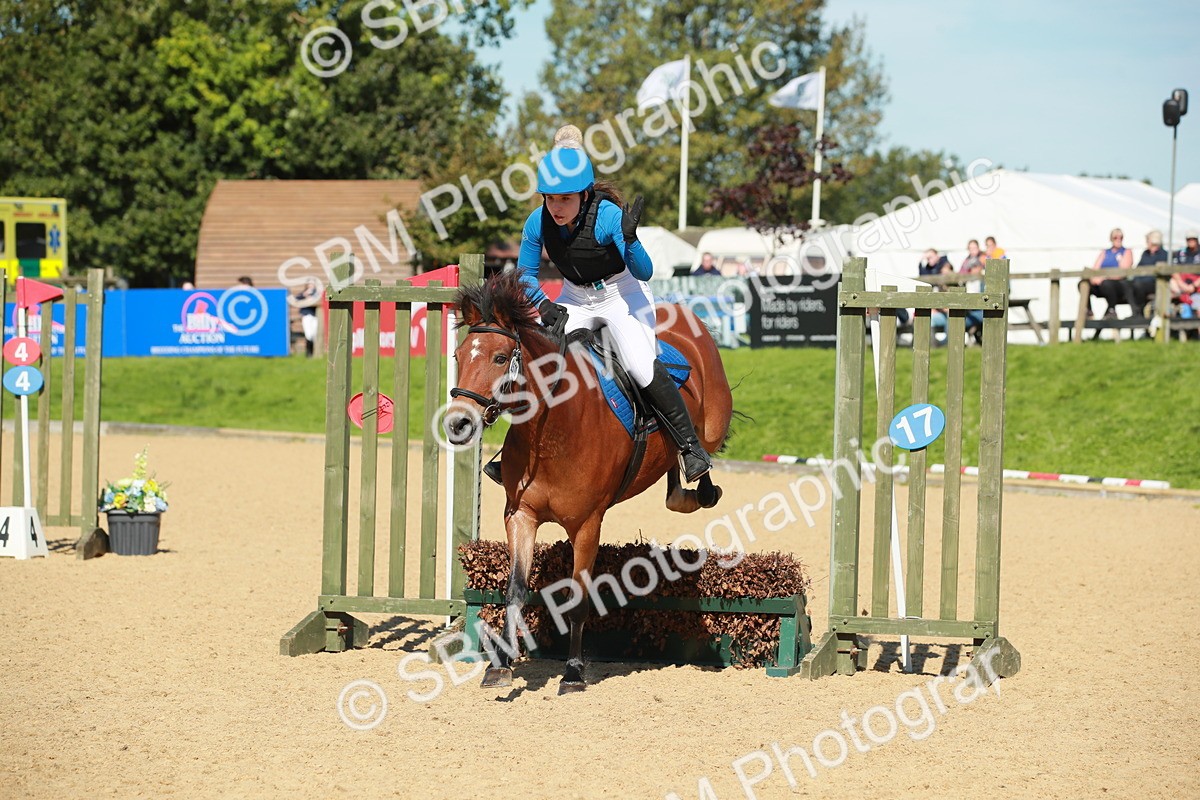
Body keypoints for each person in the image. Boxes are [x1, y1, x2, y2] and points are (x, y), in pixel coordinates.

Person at [491, 125, 711, 486]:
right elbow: (525, 276)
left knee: (640, 365)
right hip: (576, 295)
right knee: (543, 360)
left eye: (564, 199)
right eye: (549, 198)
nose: (556, 207)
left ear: (584, 193)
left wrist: (630, 239)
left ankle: (691, 448)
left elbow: (645, 271)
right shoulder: (538, 222)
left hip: (622, 293)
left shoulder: (608, 216)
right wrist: (544, 307)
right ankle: (515, 453)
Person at [1086, 228, 1133, 318]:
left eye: (1121, 237)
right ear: (1111, 239)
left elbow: (1123, 271)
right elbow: (1095, 269)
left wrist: (1104, 277)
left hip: (1118, 284)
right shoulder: (1105, 252)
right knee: (1084, 283)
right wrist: (1095, 278)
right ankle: (1088, 311)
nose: (1118, 239)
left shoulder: (1126, 252)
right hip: (1102, 283)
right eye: (1115, 237)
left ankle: (1111, 310)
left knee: (1107, 284)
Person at [1129, 230, 1167, 316]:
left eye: (1148, 241)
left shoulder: (1163, 254)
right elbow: (1138, 269)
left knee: (1138, 285)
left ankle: (1140, 311)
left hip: (1154, 284)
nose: (1146, 243)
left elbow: (1158, 274)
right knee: (1128, 284)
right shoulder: (1145, 254)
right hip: (1141, 281)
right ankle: (1135, 312)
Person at [293, 277, 321, 357]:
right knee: (308, 334)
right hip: (306, 315)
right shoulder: (304, 293)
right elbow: (297, 299)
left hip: (314, 315)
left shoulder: (316, 294)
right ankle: (308, 353)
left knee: (314, 334)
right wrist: (305, 295)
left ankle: (314, 352)